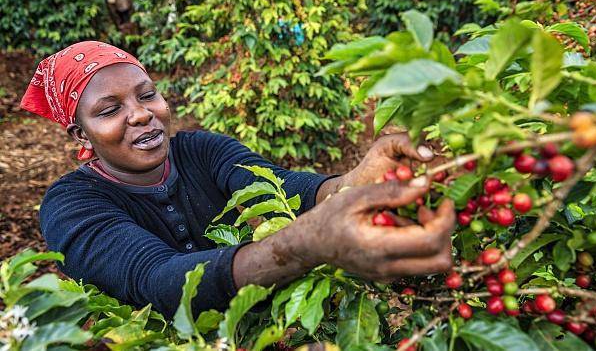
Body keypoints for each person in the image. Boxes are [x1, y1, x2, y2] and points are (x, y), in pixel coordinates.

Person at [21, 41, 456, 319]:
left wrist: (359, 179)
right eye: (109, 110)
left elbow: (284, 189)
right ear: (81, 135)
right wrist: (305, 243)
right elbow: (158, 280)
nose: (140, 113)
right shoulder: (72, 205)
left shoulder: (201, 150)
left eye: (147, 94)